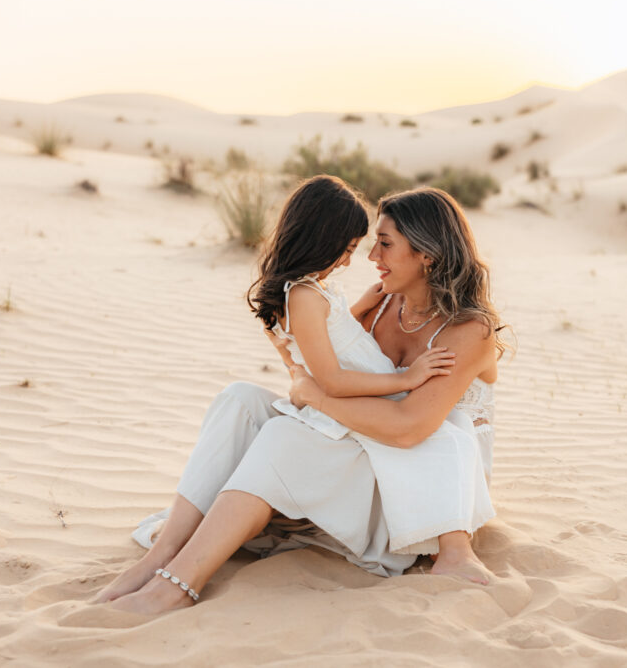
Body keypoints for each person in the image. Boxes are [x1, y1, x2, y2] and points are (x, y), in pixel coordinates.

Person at [96, 186, 505, 614]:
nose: (371, 258)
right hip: (370, 448)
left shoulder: (468, 330)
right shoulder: (383, 304)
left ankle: (178, 585)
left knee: (284, 436)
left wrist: (313, 396)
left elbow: (407, 428)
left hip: (424, 491)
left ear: (427, 253)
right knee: (239, 400)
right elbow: (326, 371)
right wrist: (296, 368)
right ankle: (160, 557)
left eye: (385, 244)